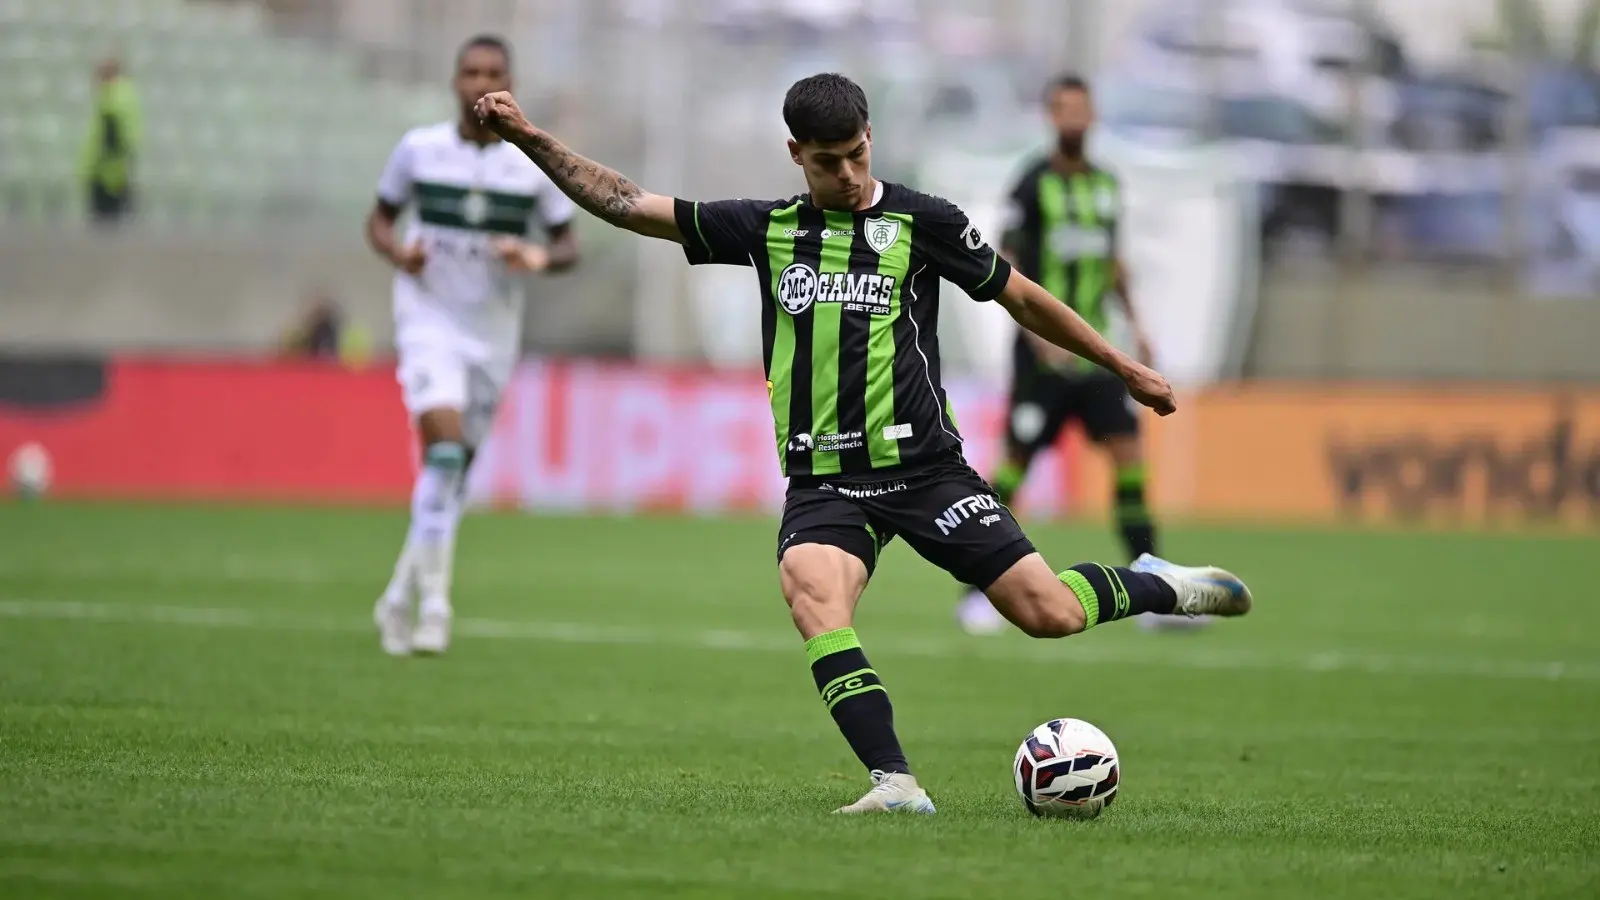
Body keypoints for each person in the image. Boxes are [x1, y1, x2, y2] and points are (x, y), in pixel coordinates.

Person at [475, 73, 1251, 814]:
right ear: (795, 154)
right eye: (827, 161)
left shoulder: (922, 222)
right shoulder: (767, 229)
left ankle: (1155, 582)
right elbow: (625, 203)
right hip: (827, 481)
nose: (846, 174)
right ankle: (896, 782)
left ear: (871, 137)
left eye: (856, 154)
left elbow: (1021, 297)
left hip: (925, 469)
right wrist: (529, 137)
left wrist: (1123, 365)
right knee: (812, 593)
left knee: (1048, 613)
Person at [955, 74, 1198, 636]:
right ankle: (977, 593)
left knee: (1130, 458)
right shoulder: (1030, 184)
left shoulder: (1107, 186)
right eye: (1062, 108)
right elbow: (1007, 264)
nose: (1072, 118)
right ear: (1050, 116)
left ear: (1092, 116)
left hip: (1096, 359)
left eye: (1080, 108)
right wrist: (1039, 338)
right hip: (1042, 360)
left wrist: (1138, 327)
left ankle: (1154, 589)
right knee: (1014, 466)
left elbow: (1113, 262)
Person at [367, 35, 579, 657]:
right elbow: (379, 219)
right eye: (471, 72)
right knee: (444, 456)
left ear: (510, 84)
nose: (480, 83)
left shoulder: (530, 166)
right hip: (428, 318)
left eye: (493, 73)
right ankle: (436, 607)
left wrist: (536, 256)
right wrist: (398, 252)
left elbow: (568, 245)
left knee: (453, 476)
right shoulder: (419, 150)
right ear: (454, 81)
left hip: (492, 332)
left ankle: (397, 597)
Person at [81, 56, 141, 227]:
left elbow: (110, 137)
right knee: (118, 221)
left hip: (106, 173)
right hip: (118, 169)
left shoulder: (111, 98)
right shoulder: (127, 95)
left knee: (106, 224)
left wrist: (96, 163)